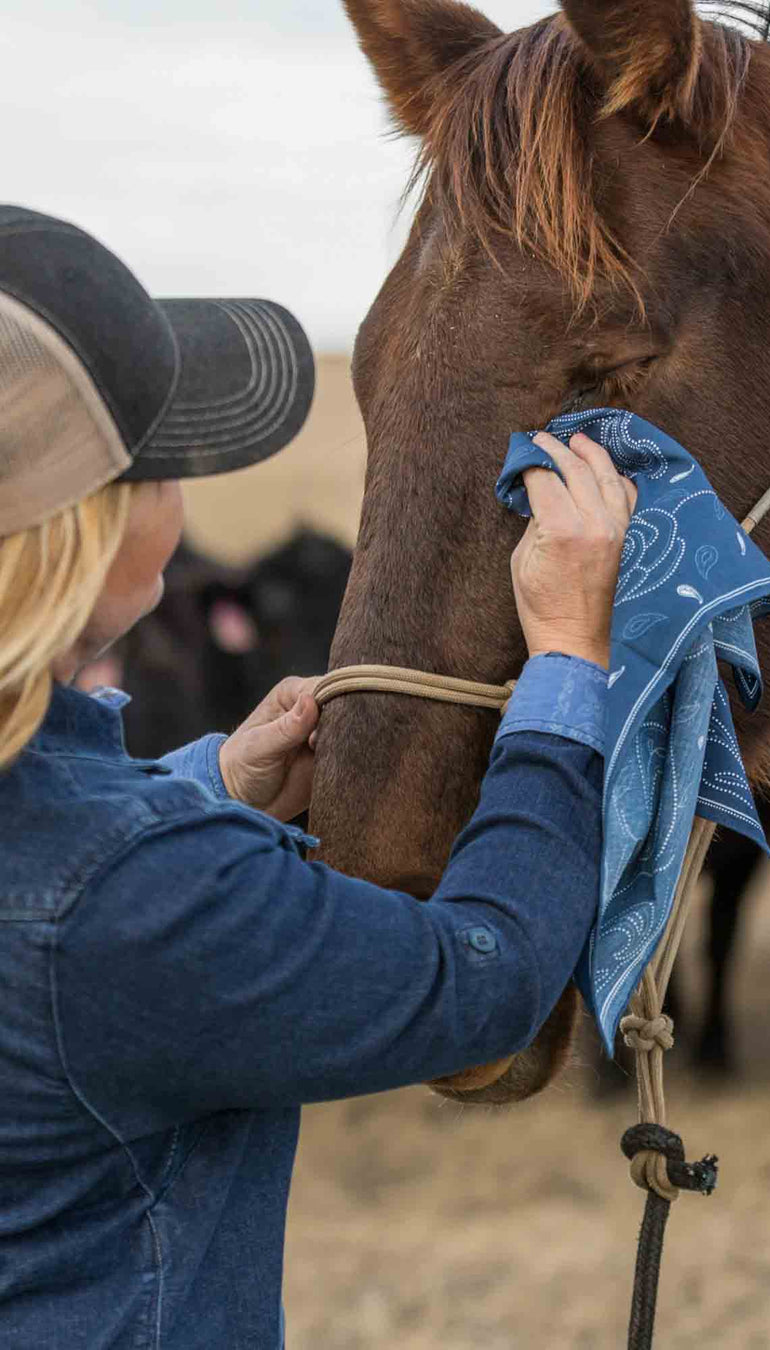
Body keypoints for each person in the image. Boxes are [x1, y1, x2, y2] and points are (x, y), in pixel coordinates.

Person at [0, 207, 635, 1349]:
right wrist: (566, 666)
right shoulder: (125, 899)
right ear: (84, 531)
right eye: (168, 456)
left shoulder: (93, 875)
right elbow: (480, 981)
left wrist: (210, 788)